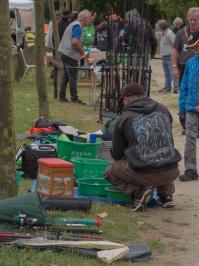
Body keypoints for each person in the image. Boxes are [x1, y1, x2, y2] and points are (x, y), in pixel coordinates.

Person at [105, 83, 181, 211]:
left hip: (144, 173)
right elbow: (169, 141)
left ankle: (139, 192)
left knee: (111, 170)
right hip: (172, 170)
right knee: (162, 155)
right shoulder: (163, 109)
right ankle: (166, 196)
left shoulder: (123, 118)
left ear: (125, 99)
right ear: (144, 95)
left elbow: (117, 155)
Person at [172, 7, 199, 133]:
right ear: (187, 19)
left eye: (195, 19)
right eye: (191, 19)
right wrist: (174, 67)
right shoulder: (181, 33)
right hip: (184, 67)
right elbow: (175, 49)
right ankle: (185, 124)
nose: (192, 22)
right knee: (184, 93)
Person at [178, 33, 199, 182]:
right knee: (190, 139)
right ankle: (190, 169)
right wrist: (182, 108)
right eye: (194, 47)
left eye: (197, 47)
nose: (195, 50)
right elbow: (183, 86)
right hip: (191, 109)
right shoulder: (190, 63)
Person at [58, 9, 91, 104]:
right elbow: (75, 41)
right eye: (89, 18)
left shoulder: (74, 24)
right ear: (85, 18)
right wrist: (82, 52)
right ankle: (74, 99)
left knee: (66, 76)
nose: (89, 21)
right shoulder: (77, 26)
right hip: (70, 54)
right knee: (73, 77)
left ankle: (62, 97)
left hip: (65, 52)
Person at [158, 19, 178, 93]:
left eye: (159, 26)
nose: (158, 27)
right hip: (164, 56)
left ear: (162, 26)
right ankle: (167, 87)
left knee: (172, 73)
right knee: (167, 73)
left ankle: (176, 87)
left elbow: (175, 43)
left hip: (169, 56)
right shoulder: (163, 32)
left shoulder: (169, 33)